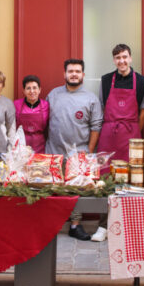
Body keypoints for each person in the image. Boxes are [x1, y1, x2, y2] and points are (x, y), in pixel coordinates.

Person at [46, 59, 102, 241]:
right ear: (65, 74)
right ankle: (49, 226)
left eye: (78, 71)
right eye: (70, 71)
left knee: (76, 192)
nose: (74, 74)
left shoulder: (91, 98)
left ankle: (75, 226)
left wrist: (88, 152)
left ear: (83, 75)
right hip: (54, 152)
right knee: (51, 190)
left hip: (79, 154)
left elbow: (96, 127)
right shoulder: (53, 95)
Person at [98, 44, 144, 161]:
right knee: (105, 173)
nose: (121, 61)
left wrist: (135, 130)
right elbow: (102, 107)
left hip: (131, 136)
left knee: (132, 172)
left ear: (130, 58)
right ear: (114, 60)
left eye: (125, 57)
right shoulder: (105, 80)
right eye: (118, 57)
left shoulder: (142, 81)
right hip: (108, 136)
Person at [14, 75, 49, 153]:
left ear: (40, 90)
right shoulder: (16, 104)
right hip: (21, 146)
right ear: (24, 90)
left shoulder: (46, 105)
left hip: (40, 146)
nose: (32, 91)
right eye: (28, 88)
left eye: (34, 88)